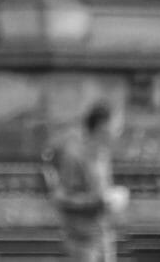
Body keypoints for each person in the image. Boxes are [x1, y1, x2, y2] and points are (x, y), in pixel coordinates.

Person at [42, 100, 129, 262]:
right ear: (102, 126)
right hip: (82, 240)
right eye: (116, 125)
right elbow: (61, 198)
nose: (119, 131)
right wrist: (98, 201)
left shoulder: (102, 154)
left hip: (103, 235)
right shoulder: (74, 155)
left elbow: (101, 193)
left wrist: (112, 199)